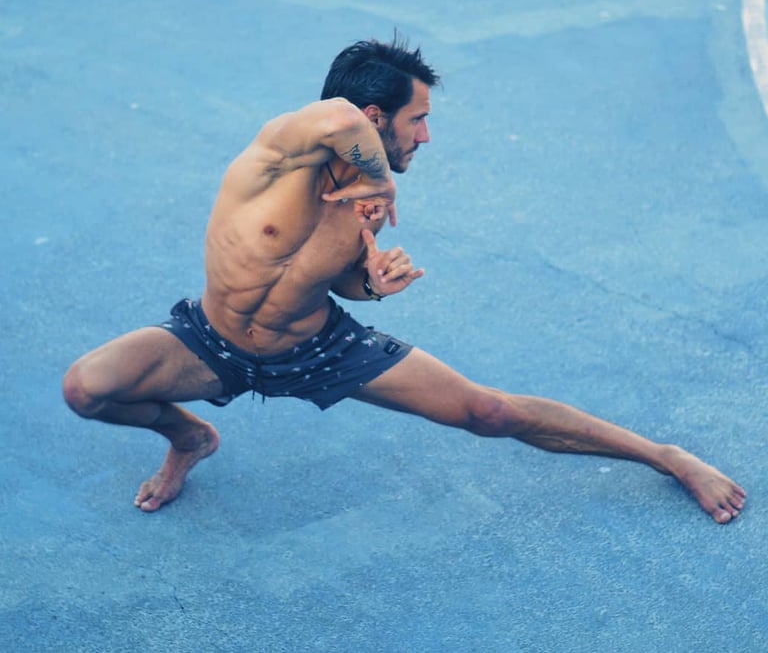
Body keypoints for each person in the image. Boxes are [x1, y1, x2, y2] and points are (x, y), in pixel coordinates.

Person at [63, 36, 746, 524]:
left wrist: (373, 285)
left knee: (491, 413)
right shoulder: (278, 153)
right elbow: (332, 117)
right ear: (374, 119)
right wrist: (376, 176)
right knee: (86, 389)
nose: (425, 137)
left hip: (313, 346)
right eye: (418, 119)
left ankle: (667, 457)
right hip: (211, 340)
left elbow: (339, 284)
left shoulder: (364, 202)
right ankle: (190, 438)